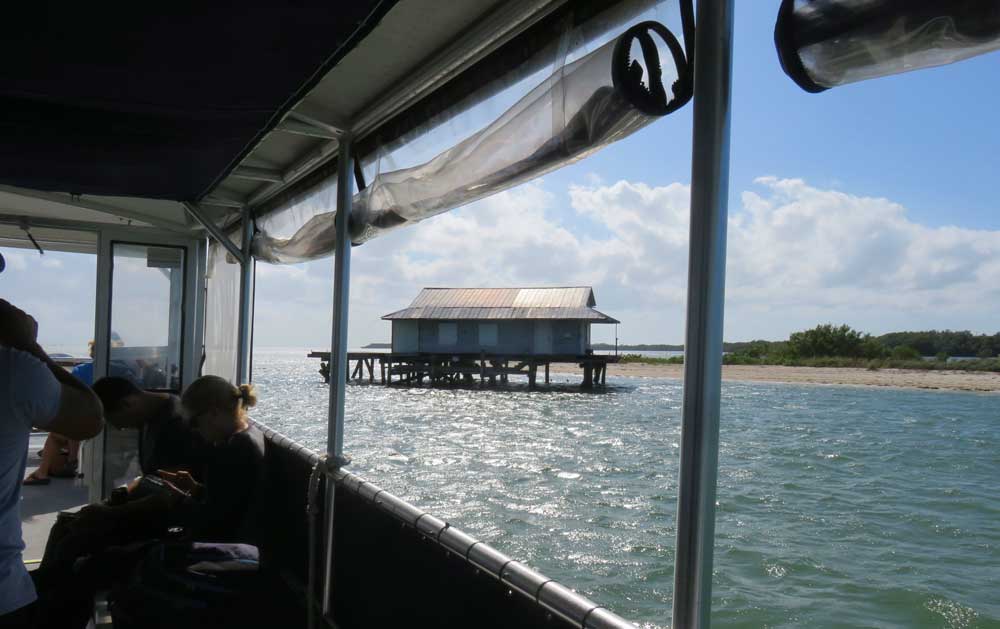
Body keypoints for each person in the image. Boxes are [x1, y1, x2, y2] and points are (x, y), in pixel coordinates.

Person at [0, 299, 104, 625]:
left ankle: (46, 470)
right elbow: (90, 419)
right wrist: (28, 345)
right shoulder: (12, 368)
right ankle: (63, 465)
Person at [90, 377, 204, 480]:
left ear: (127, 403)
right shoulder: (150, 418)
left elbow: (180, 478)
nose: (119, 427)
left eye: (116, 420)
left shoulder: (178, 422)